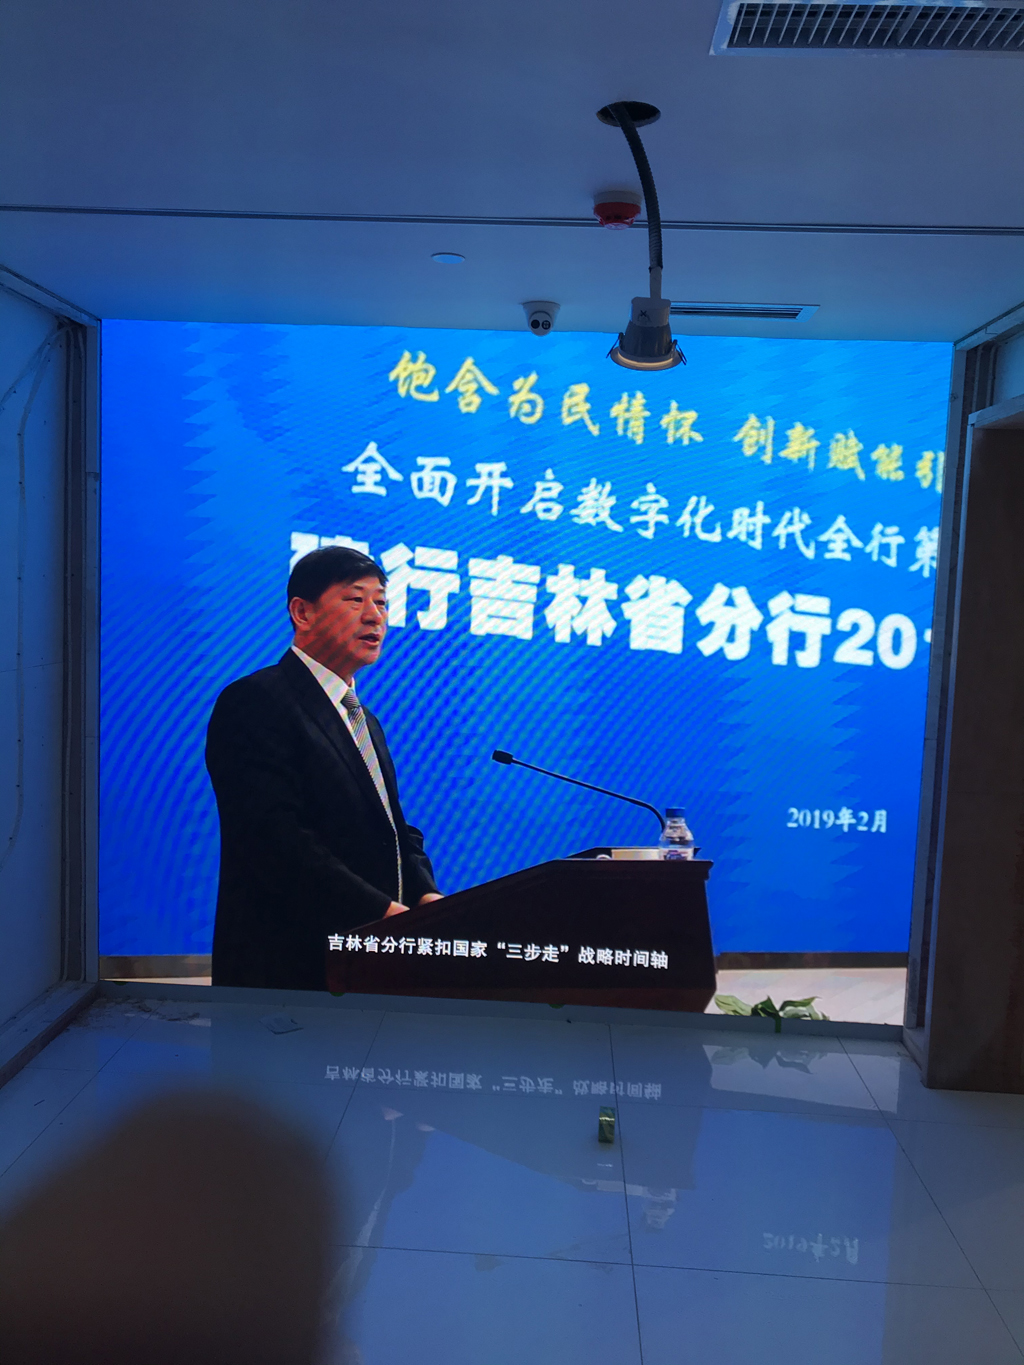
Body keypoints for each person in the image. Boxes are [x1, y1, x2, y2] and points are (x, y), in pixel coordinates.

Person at [206, 546, 441, 990]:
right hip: (289, 968)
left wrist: (425, 893)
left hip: (368, 962)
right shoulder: (256, 701)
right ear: (302, 612)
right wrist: (379, 911)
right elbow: (275, 839)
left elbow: (393, 828)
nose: (374, 616)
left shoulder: (364, 719)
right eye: (355, 600)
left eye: (382, 602)